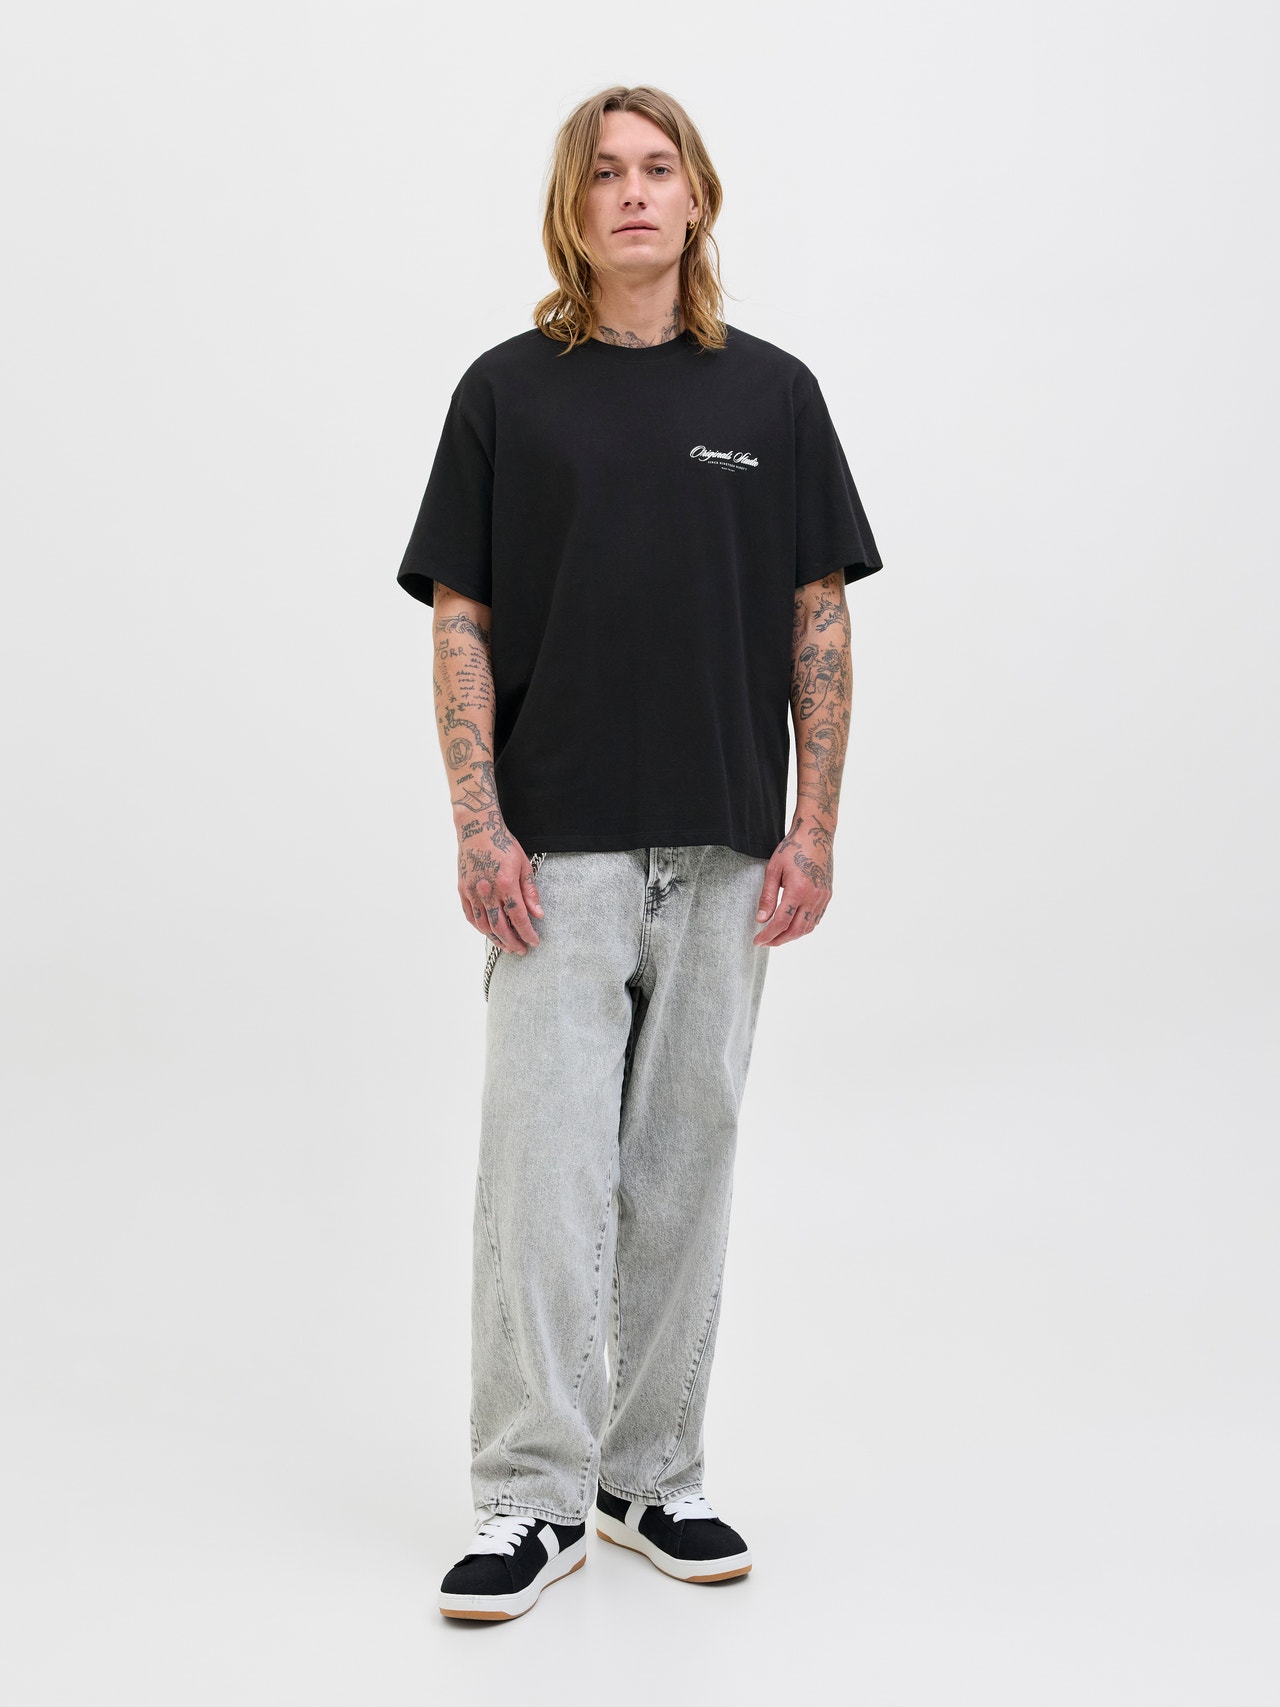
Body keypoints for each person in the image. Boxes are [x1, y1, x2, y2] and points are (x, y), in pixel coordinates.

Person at [395, 83, 883, 1622]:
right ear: (573, 205)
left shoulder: (775, 397)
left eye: (657, 168)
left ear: (696, 197)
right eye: (603, 171)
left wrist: (814, 827)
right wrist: (478, 822)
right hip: (558, 851)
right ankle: (529, 1497)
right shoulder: (505, 394)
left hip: (728, 843)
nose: (631, 192)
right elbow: (461, 619)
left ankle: (649, 1474)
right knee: (545, 1180)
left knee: (683, 1170)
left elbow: (819, 616)